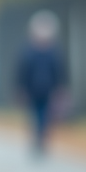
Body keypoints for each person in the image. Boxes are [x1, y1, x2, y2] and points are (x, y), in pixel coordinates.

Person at [15, 10, 68, 156]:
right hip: (32, 90)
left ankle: (41, 140)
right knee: (35, 116)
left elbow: (60, 71)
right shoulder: (28, 51)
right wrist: (21, 88)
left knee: (45, 116)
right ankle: (38, 139)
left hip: (49, 90)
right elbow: (22, 71)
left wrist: (61, 89)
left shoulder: (54, 52)